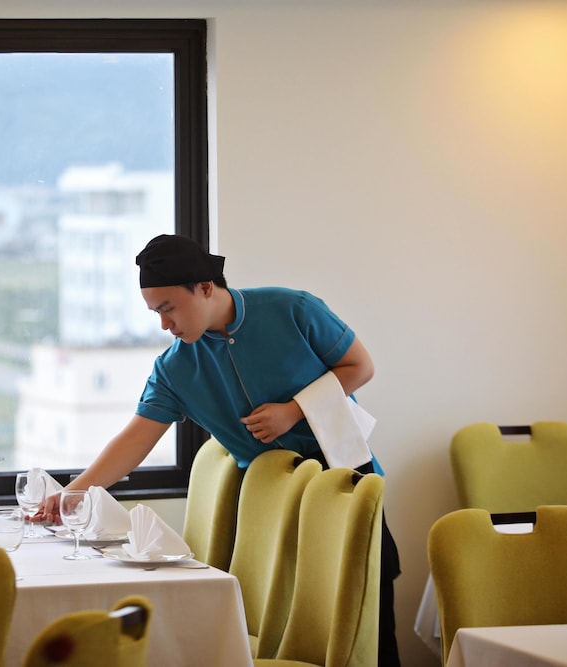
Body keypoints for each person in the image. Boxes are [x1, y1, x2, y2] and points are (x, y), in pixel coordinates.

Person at [33, 233, 401, 666]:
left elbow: (360, 366)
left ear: (206, 287)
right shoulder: (174, 368)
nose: (165, 325)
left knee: (369, 623)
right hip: (266, 504)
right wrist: (73, 493)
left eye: (169, 308)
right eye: (156, 313)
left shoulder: (293, 309)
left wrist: (294, 410)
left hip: (344, 482)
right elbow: (134, 439)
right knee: (285, 627)